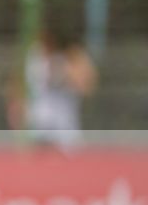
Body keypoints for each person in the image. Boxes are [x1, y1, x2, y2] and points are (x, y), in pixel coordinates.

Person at [8, 19, 97, 150]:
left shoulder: (72, 55)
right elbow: (17, 84)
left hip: (64, 125)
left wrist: (66, 75)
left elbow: (87, 85)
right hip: (37, 124)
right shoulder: (33, 54)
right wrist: (15, 110)